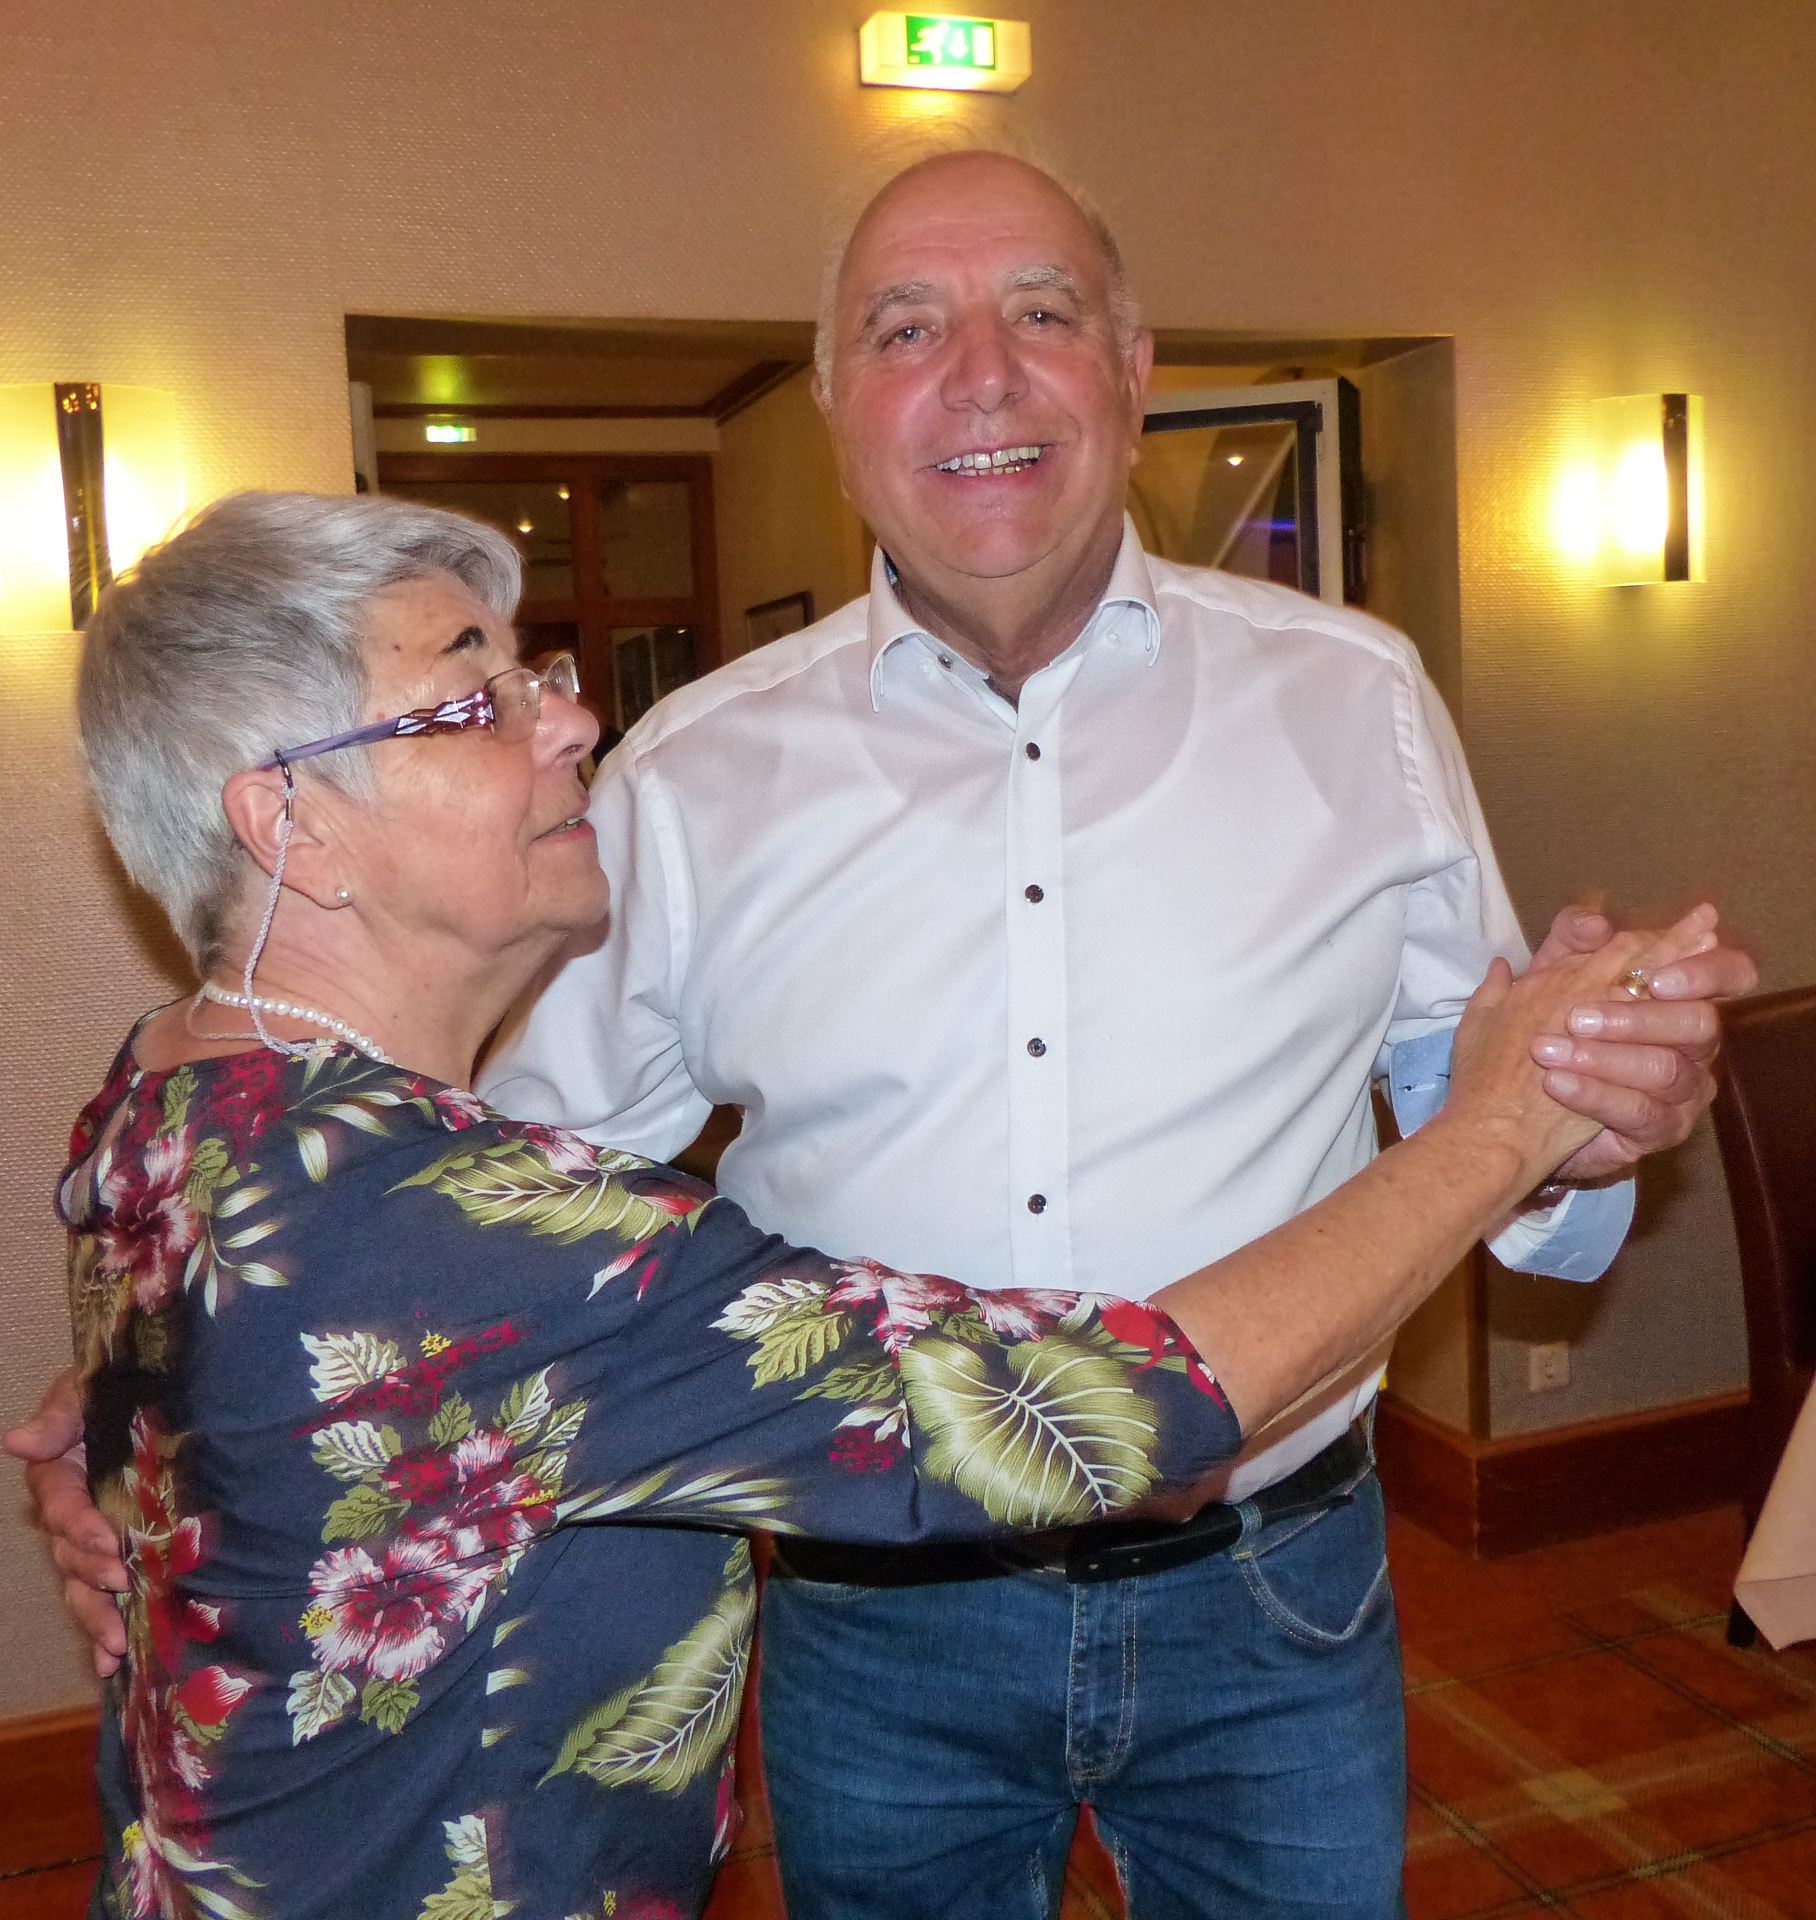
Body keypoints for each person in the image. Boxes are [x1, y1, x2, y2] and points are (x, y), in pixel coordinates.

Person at [15, 155, 1753, 1916]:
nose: (982, 374)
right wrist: (218, 1403)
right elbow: (492, 1229)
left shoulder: (1358, 696)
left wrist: (1571, 1122)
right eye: (909, 330)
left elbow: (368, 1269)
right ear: (838, 402)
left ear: (1134, 369)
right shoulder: (686, 779)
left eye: (1043, 313)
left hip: (1274, 1595)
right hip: (877, 1634)